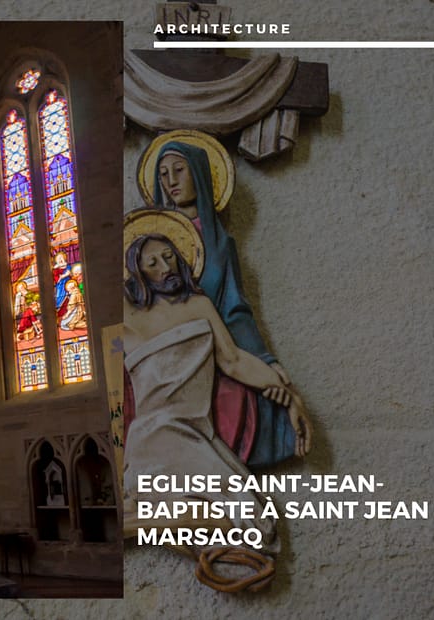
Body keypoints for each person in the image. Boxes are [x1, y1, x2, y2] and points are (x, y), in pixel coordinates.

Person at [122, 231, 312, 551]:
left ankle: (131, 524)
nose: (164, 266)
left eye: (169, 256)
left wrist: (291, 399)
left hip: (194, 430)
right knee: (251, 522)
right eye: (152, 262)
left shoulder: (199, 305)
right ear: (138, 272)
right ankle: (134, 522)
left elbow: (235, 361)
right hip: (155, 436)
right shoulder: (128, 319)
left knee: (255, 522)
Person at [152, 141, 297, 467]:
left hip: (217, 354)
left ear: (200, 175)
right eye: (162, 175)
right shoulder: (153, 242)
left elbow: (234, 307)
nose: (170, 181)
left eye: (178, 171)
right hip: (169, 359)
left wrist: (264, 360)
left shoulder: (219, 243)